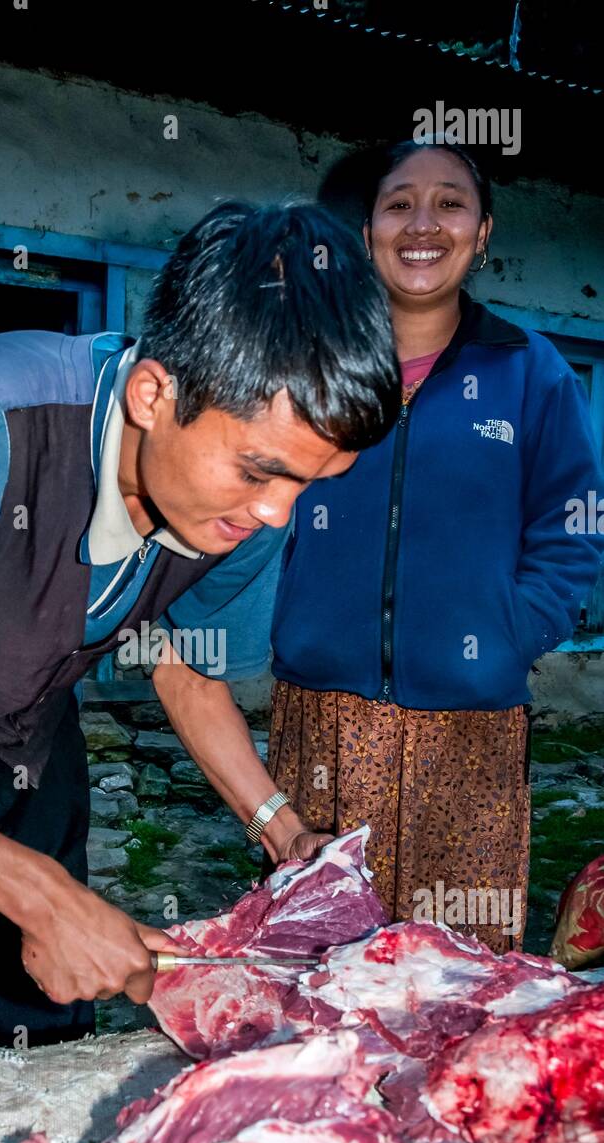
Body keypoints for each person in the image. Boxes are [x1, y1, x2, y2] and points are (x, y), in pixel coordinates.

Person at [0, 201, 400, 1061]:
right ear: (153, 393)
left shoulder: (257, 503)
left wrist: (279, 827)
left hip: (33, 742)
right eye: (258, 472)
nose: (279, 513)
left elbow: (187, 666)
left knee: (49, 1025)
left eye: (312, 483)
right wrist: (36, 894)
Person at [269, 140, 604, 953]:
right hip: (322, 718)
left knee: (457, 970)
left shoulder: (529, 370)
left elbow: (578, 523)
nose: (423, 223)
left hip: (469, 730)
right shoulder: (311, 361)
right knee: (312, 969)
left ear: (482, 231)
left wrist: (507, 633)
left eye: (450, 203)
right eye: (397, 204)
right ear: (367, 229)